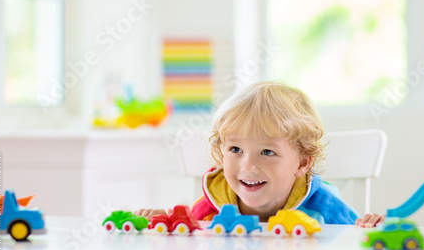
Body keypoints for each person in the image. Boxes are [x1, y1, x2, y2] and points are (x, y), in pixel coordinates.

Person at [136, 81, 385, 227]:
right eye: (235, 149)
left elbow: (356, 242)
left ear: (302, 163)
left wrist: (369, 228)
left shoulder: (324, 205)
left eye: (267, 151)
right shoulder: (215, 201)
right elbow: (188, 232)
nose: (249, 165)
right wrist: (165, 222)